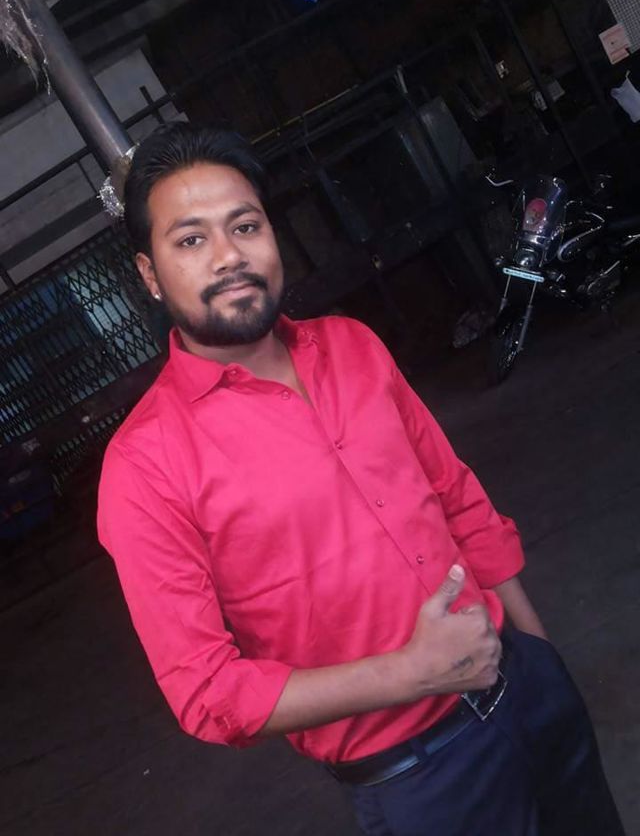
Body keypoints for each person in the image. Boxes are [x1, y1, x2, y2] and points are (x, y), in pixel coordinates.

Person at [97, 122, 624, 836]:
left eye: (245, 226)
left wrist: (539, 658)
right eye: (191, 240)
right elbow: (207, 692)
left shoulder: (351, 346)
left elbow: (456, 498)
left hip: (528, 689)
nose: (228, 256)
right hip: (424, 780)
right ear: (150, 275)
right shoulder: (144, 465)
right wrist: (413, 673)